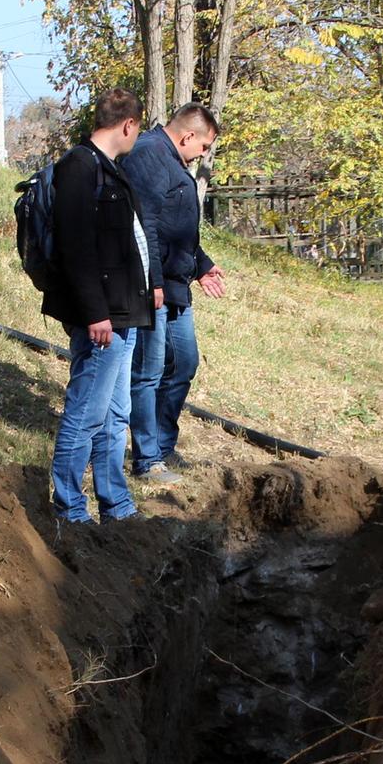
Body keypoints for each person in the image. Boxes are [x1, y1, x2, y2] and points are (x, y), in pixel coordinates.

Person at [40, 87, 162, 523]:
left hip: (125, 314)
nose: (137, 135)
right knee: (86, 413)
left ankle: (116, 504)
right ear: (128, 124)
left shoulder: (110, 169)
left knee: (115, 415)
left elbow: (131, 239)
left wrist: (151, 287)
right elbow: (76, 247)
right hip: (102, 318)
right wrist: (95, 313)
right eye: (138, 128)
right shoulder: (79, 167)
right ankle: (69, 508)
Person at [119, 102, 225, 482]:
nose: (203, 154)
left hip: (177, 287)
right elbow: (143, 224)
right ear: (188, 135)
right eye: (204, 146)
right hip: (153, 287)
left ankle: (163, 446)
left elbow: (176, 230)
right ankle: (147, 460)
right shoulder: (149, 156)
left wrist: (201, 264)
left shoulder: (173, 162)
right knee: (148, 372)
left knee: (184, 364)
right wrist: (154, 282)